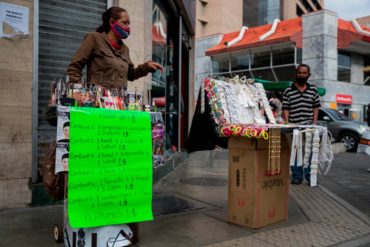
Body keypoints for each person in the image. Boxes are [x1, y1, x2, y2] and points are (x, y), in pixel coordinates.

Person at [66, 7, 163, 244]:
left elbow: (129, 74)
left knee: (119, 169)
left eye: (130, 24)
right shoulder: (94, 39)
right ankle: (92, 218)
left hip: (119, 116)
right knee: (96, 168)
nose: (129, 27)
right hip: (95, 115)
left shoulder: (126, 49)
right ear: (112, 22)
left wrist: (145, 67)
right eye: (126, 23)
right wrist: (80, 97)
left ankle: (122, 222)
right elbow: (74, 67)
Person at [282, 64, 321, 185]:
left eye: (304, 73)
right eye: (300, 72)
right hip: (295, 126)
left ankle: (309, 176)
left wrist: (314, 122)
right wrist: (287, 122)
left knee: (310, 152)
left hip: (309, 125)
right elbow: (286, 107)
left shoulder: (313, 89)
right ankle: (297, 176)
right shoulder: (288, 90)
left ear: (308, 75)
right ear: (296, 74)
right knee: (296, 151)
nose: (302, 75)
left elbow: (316, 107)